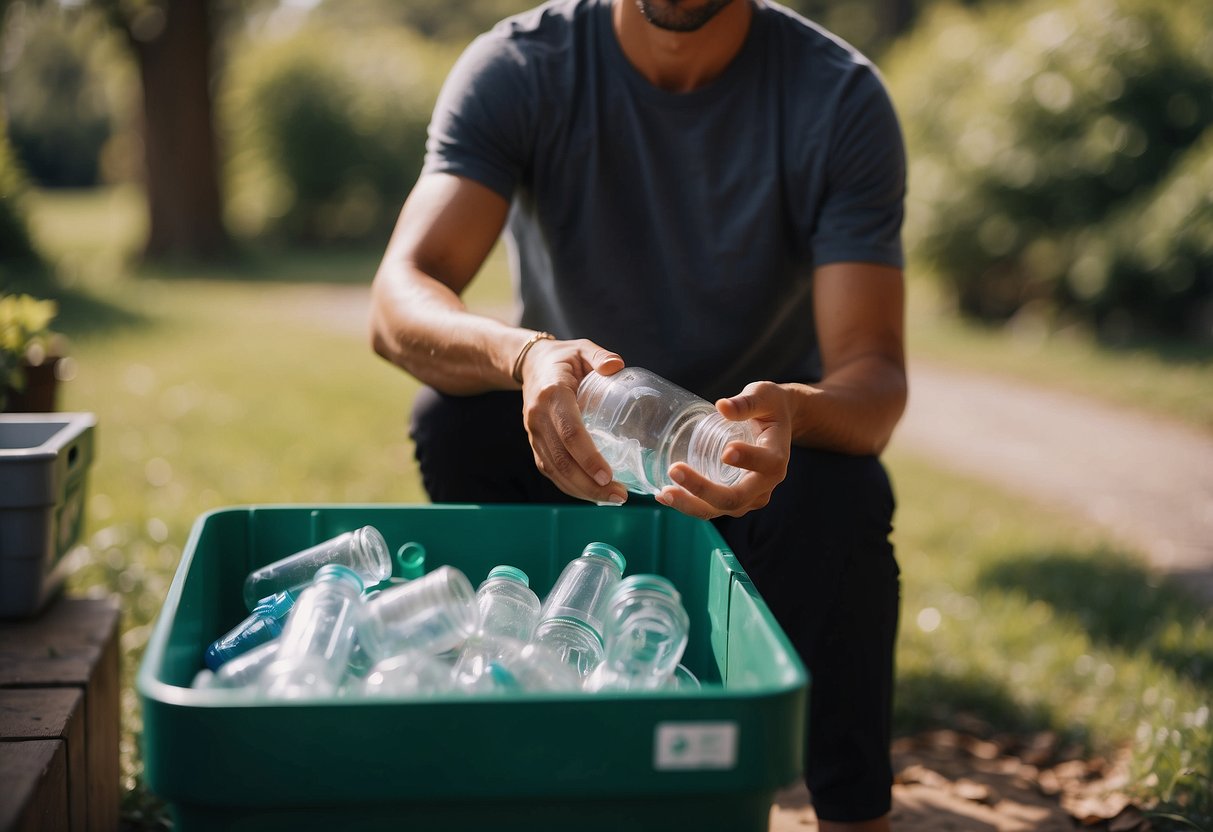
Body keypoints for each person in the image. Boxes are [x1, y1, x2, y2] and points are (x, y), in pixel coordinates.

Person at [369, 0, 906, 827]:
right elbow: (401, 300)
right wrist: (525, 356)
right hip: (585, 446)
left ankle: (851, 811)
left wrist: (789, 413)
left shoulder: (834, 98)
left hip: (747, 466)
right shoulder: (520, 68)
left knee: (843, 490)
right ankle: (533, 725)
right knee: (456, 418)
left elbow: (873, 384)